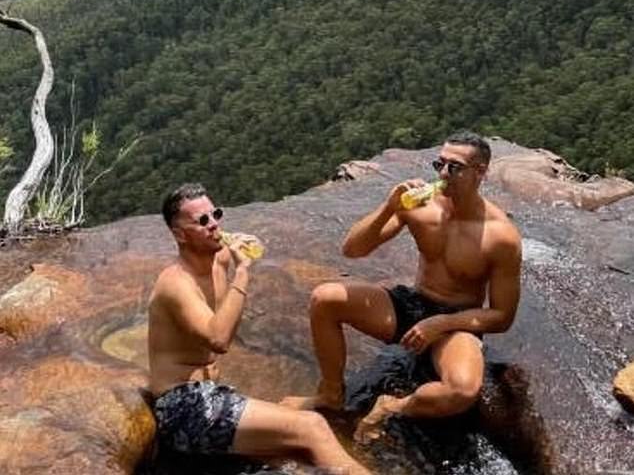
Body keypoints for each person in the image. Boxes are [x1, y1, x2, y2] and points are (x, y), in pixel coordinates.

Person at [281, 131, 522, 443]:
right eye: (440, 165)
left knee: (462, 390)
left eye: (455, 168)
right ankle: (330, 394)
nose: (444, 175)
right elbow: (352, 249)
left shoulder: (501, 236)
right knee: (325, 298)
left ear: (480, 172)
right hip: (412, 304)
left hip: (455, 323)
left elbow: (502, 316)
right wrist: (389, 207)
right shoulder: (421, 206)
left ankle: (394, 406)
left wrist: (442, 323)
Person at [148, 183, 370, 474]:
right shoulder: (176, 283)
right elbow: (218, 339)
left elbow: (247, 243)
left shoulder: (216, 258)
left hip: (209, 395)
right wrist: (241, 273)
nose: (214, 224)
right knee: (312, 428)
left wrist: (244, 243)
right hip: (184, 408)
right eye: (202, 221)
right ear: (179, 234)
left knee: (294, 454)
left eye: (216, 214)